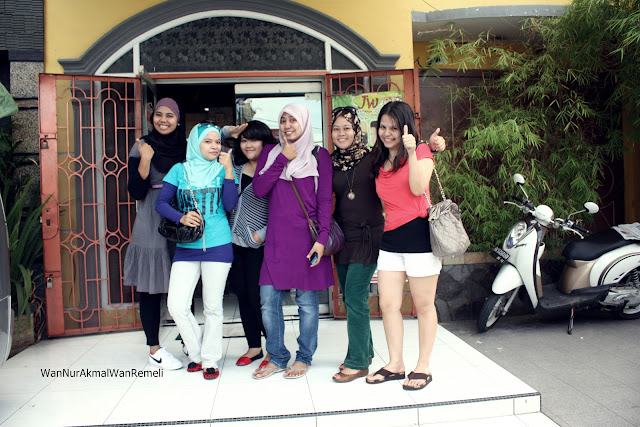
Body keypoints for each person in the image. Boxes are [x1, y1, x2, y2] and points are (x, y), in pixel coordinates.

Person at [365, 101, 445, 391]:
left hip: (419, 238)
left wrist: (413, 151)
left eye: (394, 128)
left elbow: (417, 188)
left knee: (423, 305)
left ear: (406, 128)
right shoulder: (378, 158)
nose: (387, 133)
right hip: (390, 240)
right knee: (388, 304)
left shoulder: (421, 151)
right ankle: (395, 363)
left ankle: (422, 366)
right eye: (383, 127)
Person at [251, 103, 334, 380]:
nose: (287, 125)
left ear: (304, 123)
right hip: (276, 241)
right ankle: (277, 356)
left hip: (307, 241)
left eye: (293, 120)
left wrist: (322, 239)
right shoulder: (270, 153)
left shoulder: (319, 155)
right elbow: (259, 189)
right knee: (267, 301)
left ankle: (304, 357)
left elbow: (324, 200)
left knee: (307, 304)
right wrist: (282, 159)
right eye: (283, 120)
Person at [155, 122, 238, 380]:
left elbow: (230, 204)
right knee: (176, 305)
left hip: (218, 244)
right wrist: (180, 217)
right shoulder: (179, 170)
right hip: (186, 247)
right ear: (195, 143)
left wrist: (228, 170)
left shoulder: (222, 169)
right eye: (208, 141)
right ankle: (196, 352)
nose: (214, 146)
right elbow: (161, 203)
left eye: (217, 142)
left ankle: (209, 360)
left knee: (213, 307)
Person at [123, 98, 186, 370]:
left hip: (182, 217)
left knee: (185, 281)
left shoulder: (186, 148)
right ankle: (154, 349)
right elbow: (135, 191)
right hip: (151, 218)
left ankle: (188, 340)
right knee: (150, 287)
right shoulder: (142, 147)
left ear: (178, 120)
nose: (163, 120)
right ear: (152, 118)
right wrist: (145, 161)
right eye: (159, 114)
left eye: (170, 115)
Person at [329, 106, 383, 382]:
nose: (341, 133)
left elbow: (401, 161)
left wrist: (430, 148)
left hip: (367, 236)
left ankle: (358, 361)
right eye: (336, 128)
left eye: (346, 128)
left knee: (354, 297)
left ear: (356, 130)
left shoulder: (373, 158)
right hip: (341, 239)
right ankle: (367, 351)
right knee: (352, 297)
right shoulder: (330, 162)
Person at [225, 121, 277, 367]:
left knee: (260, 298)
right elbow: (209, 142)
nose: (248, 145)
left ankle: (273, 348)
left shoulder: (273, 170)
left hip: (260, 245)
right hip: (233, 242)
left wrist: (262, 234)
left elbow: (282, 208)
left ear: (264, 142)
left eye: (254, 139)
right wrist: (228, 132)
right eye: (244, 140)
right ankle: (254, 346)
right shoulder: (234, 168)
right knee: (243, 295)